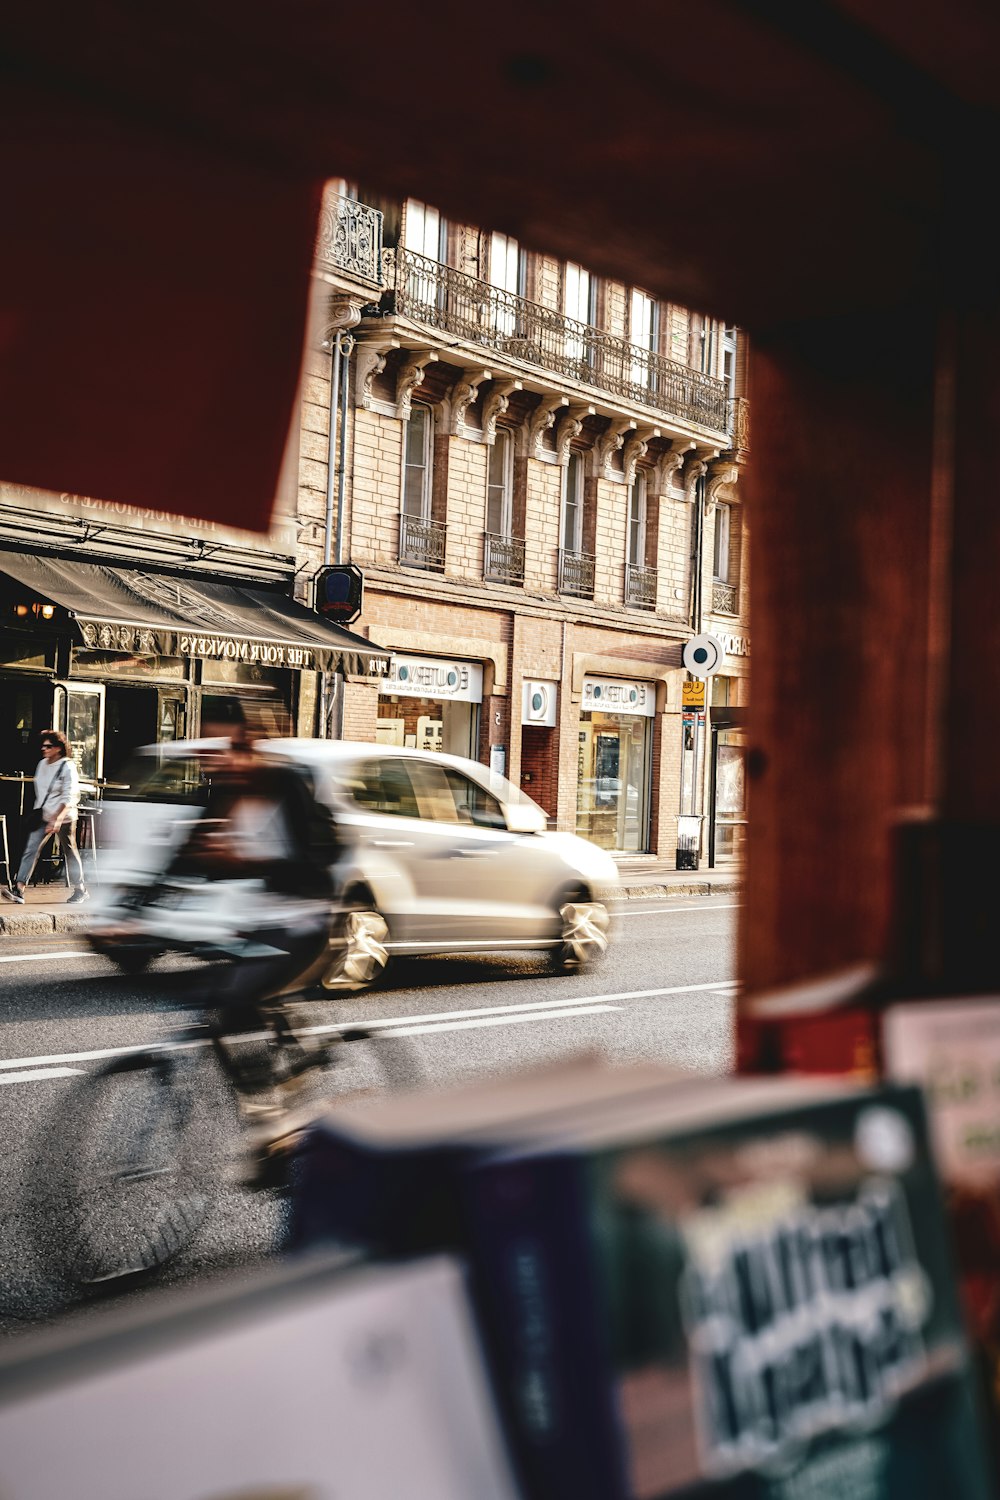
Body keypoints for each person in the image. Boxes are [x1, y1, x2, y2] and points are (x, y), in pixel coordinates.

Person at [168, 702, 341, 1019]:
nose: (223, 760)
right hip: (261, 918)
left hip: (306, 917)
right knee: (204, 995)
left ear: (251, 745)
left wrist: (245, 861)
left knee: (238, 1002)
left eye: (233, 748)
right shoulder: (224, 794)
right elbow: (180, 859)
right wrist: (127, 916)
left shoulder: (286, 785)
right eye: (213, 750)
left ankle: (275, 1061)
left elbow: (320, 857)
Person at [3, 730, 87, 905]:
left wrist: (57, 818)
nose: (44, 749)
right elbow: (41, 792)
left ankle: (80, 889)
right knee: (31, 849)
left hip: (64, 817)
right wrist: (41, 813)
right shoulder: (42, 765)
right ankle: (19, 889)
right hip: (44, 815)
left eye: (48, 746)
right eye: (43, 745)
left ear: (58, 748)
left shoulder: (67, 766)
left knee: (69, 851)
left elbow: (69, 795)